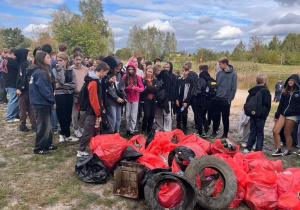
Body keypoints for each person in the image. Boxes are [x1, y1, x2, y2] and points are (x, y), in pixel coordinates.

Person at [77, 61, 110, 157]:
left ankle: (95, 147)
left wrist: (102, 107)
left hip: (96, 110)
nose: (106, 75)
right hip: (92, 111)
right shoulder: (93, 82)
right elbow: (93, 100)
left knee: (96, 130)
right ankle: (81, 150)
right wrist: (98, 113)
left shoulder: (97, 81)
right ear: (102, 71)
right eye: (106, 73)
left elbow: (99, 97)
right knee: (88, 131)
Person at [28, 51, 57, 154]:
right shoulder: (40, 73)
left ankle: (47, 144)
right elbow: (44, 90)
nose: (50, 59)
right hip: (41, 103)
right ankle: (39, 147)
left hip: (43, 103)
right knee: (43, 126)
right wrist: (52, 101)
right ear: (42, 59)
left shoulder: (42, 71)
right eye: (48, 57)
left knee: (48, 125)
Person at [53, 52, 79, 142]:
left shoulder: (70, 70)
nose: (58, 62)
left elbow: (73, 85)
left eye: (60, 60)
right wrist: (62, 84)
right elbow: (57, 83)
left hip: (68, 94)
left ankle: (65, 133)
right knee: (61, 114)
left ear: (66, 61)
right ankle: (63, 133)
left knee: (68, 114)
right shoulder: (55, 70)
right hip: (59, 95)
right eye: (57, 60)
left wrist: (62, 85)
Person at [272, 74, 300, 156]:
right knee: (275, 130)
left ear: (296, 81)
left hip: (292, 115)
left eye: (292, 80)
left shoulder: (298, 92)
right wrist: (277, 115)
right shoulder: (285, 92)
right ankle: (278, 149)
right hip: (283, 114)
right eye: (289, 80)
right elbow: (281, 104)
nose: (290, 81)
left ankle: (288, 150)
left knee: (287, 133)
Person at [243, 74, 271, 153]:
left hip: (252, 113)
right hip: (260, 114)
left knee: (252, 131)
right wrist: (265, 114)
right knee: (260, 133)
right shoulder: (265, 91)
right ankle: (258, 149)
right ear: (264, 81)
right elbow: (267, 104)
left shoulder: (252, 90)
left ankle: (248, 147)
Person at [211, 57, 237, 138]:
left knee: (225, 118)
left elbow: (234, 88)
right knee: (215, 117)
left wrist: (230, 99)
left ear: (225, 64)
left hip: (225, 100)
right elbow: (216, 86)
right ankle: (214, 131)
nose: (219, 65)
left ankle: (225, 134)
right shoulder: (219, 74)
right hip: (217, 99)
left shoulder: (233, 74)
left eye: (220, 64)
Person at [15, 48, 36, 131]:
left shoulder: (23, 65)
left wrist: (20, 88)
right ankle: (33, 124)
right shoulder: (24, 64)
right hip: (27, 89)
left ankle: (23, 125)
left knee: (23, 107)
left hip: (23, 90)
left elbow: (23, 78)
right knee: (30, 107)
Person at [104, 56, 125, 133]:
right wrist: (116, 97)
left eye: (119, 69)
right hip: (111, 100)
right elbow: (109, 89)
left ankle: (117, 132)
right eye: (116, 69)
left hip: (119, 100)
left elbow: (122, 86)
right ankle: (111, 133)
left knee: (118, 118)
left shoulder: (119, 75)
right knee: (113, 118)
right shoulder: (108, 75)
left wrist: (123, 95)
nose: (117, 71)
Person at [71, 51, 89, 138]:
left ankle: (81, 127)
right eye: (76, 59)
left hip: (83, 95)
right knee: (74, 113)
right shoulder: (71, 69)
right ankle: (76, 128)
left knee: (83, 113)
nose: (78, 61)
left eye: (80, 60)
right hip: (74, 94)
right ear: (73, 59)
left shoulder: (85, 69)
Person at [123, 62, 144, 136]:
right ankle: (128, 129)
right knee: (127, 115)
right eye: (129, 69)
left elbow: (142, 88)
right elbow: (122, 88)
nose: (130, 71)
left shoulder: (137, 77)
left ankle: (132, 129)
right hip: (128, 98)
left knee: (134, 115)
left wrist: (135, 88)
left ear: (134, 69)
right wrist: (127, 88)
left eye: (132, 69)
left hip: (135, 98)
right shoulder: (125, 76)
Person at [193, 65, 213, 137]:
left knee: (199, 117)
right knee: (204, 116)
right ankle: (207, 131)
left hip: (200, 101)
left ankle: (200, 133)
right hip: (208, 102)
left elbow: (196, 92)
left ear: (201, 70)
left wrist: (194, 96)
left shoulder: (200, 79)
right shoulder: (210, 79)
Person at [42, 44, 58, 134]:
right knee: (52, 108)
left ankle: (53, 127)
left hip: (50, 87)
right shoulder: (54, 62)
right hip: (51, 87)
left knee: (52, 109)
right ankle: (54, 127)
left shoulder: (50, 62)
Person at [140, 65, 159, 135]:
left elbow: (156, 90)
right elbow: (142, 91)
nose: (149, 73)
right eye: (148, 71)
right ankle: (143, 128)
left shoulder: (155, 80)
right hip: (145, 99)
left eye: (151, 72)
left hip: (153, 100)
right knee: (146, 115)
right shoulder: (143, 80)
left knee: (152, 115)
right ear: (146, 71)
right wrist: (152, 88)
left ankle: (149, 129)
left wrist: (147, 87)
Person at [175, 64, 193, 134]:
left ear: (188, 71)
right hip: (179, 99)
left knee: (184, 114)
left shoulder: (190, 80)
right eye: (183, 71)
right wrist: (176, 99)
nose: (184, 73)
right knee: (178, 113)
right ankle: (178, 126)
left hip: (185, 100)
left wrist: (186, 101)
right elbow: (176, 90)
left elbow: (190, 92)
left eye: (186, 71)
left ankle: (185, 127)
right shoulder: (179, 80)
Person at [154, 64, 172, 131]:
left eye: (158, 70)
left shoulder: (165, 75)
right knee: (157, 114)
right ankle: (159, 127)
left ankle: (167, 130)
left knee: (166, 114)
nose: (157, 72)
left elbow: (168, 87)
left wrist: (164, 96)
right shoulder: (156, 76)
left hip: (166, 98)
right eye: (155, 71)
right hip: (158, 97)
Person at [3, 48, 19, 122]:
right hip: (11, 83)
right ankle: (10, 117)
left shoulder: (4, 60)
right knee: (13, 100)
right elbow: (19, 68)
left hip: (6, 82)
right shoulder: (11, 60)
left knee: (13, 99)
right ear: (13, 53)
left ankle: (14, 114)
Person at [186, 61, 199, 129]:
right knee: (195, 110)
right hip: (195, 95)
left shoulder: (187, 75)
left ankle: (183, 122)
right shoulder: (196, 74)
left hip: (188, 95)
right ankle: (197, 123)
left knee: (184, 109)